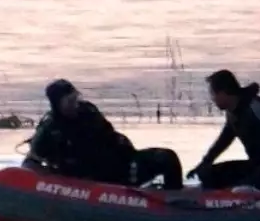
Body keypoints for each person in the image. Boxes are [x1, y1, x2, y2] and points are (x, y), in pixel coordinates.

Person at [22, 79, 184, 189]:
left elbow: (110, 136)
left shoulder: (88, 111)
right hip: (90, 180)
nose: (75, 105)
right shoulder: (49, 129)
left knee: (167, 157)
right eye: (69, 102)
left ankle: (172, 201)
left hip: (121, 167)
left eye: (75, 99)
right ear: (57, 105)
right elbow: (30, 163)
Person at [187, 69, 260, 192]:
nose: (213, 99)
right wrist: (204, 163)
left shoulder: (255, 107)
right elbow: (224, 140)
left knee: (248, 181)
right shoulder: (232, 112)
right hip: (257, 166)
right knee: (208, 175)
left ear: (224, 92)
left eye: (213, 94)